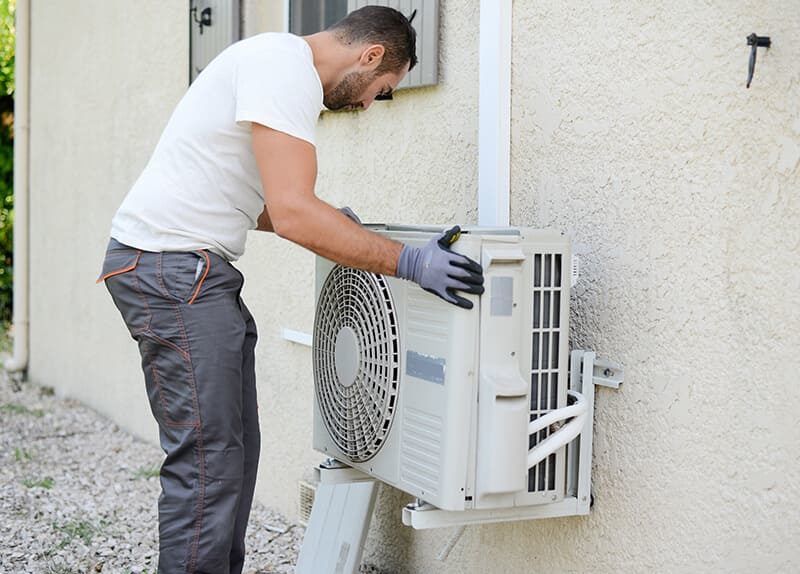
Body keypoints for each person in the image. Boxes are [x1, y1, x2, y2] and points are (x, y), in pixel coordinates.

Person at [98, 6, 484, 574]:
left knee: (232, 453)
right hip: (173, 272)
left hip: (179, 270)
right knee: (208, 460)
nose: (367, 105)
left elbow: (257, 205)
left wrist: (345, 231)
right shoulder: (284, 69)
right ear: (370, 56)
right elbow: (295, 214)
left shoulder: (269, 64)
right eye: (382, 91)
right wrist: (407, 262)